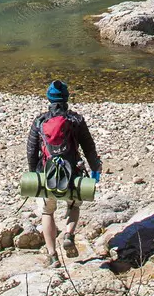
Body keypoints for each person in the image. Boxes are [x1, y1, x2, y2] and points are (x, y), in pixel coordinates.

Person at [26, 78, 102, 264]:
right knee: (73, 206)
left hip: (46, 173)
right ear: (67, 98)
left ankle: (53, 256)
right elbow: (89, 148)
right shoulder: (76, 120)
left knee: (47, 213)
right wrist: (95, 169)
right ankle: (69, 234)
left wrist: (34, 174)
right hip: (72, 174)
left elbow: (31, 151)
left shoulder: (40, 121)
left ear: (49, 99)